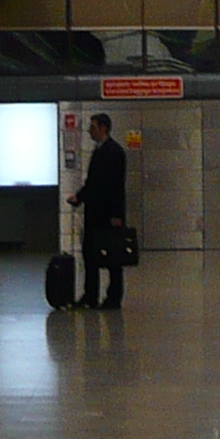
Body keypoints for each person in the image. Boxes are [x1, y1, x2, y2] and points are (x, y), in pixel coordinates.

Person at [71, 112, 129, 309]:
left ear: (104, 128)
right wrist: (79, 197)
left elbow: (116, 187)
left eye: (93, 127)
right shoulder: (98, 151)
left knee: (113, 257)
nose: (90, 131)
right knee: (91, 254)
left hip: (108, 214)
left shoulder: (115, 152)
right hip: (94, 212)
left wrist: (117, 215)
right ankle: (90, 295)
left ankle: (113, 297)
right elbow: (92, 183)